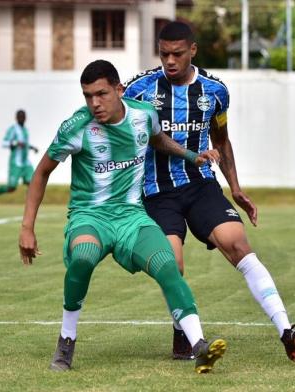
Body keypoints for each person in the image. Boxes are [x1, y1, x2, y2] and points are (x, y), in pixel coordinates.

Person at [19, 59, 227, 374]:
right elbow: (41, 173)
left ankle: (199, 345)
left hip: (132, 217)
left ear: (119, 89)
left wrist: (191, 156)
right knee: (84, 256)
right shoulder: (76, 127)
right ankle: (66, 339)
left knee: (168, 264)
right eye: (88, 96)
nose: (94, 103)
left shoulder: (144, 115)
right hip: (90, 216)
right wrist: (27, 228)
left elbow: (158, 140)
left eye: (101, 94)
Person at [123, 21, 295, 362]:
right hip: (158, 192)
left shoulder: (214, 91)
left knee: (238, 243)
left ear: (193, 51)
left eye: (177, 54)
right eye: (164, 54)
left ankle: (287, 332)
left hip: (201, 185)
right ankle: (183, 336)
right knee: (171, 263)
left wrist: (236, 187)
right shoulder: (139, 90)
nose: (170, 61)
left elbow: (221, 140)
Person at [0, 109, 38, 207]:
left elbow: (24, 144)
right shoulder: (13, 129)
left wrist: (31, 147)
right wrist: (15, 143)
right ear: (16, 118)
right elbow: (4, 143)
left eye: (23, 117)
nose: (22, 118)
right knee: (11, 187)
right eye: (20, 117)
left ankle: (31, 205)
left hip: (26, 163)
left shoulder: (25, 130)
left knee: (33, 182)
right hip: (16, 163)